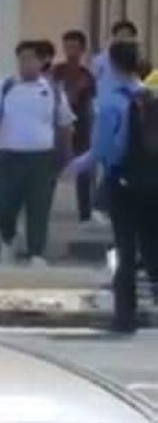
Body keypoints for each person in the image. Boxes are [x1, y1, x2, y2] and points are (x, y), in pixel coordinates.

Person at [68, 39, 155, 334]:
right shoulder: (151, 96)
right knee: (153, 249)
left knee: (126, 249)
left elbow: (104, 150)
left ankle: (124, 317)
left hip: (124, 182)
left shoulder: (110, 103)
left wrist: (76, 166)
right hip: (154, 182)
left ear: (114, 65)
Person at [0, 39, 74, 266]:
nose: (26, 64)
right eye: (21, 59)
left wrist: (66, 157)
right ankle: (8, 242)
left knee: (39, 206)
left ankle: (36, 252)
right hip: (10, 157)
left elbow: (65, 124)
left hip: (42, 158)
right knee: (5, 204)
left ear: (42, 61)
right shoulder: (5, 88)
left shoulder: (52, 89)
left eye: (31, 59)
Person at [53, 28, 98, 225]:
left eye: (74, 48)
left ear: (82, 50)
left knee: (84, 172)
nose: (70, 51)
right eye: (67, 47)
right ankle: (42, 207)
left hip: (81, 127)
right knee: (50, 170)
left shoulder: (87, 75)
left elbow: (92, 102)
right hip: (57, 128)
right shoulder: (57, 72)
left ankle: (85, 212)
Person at [93, 19, 139, 94]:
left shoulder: (137, 60)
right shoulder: (100, 61)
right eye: (122, 36)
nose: (125, 40)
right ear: (114, 37)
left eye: (129, 36)